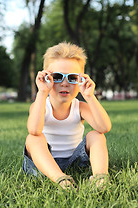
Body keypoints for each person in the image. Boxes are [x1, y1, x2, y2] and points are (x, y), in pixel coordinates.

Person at [23, 42, 112, 190]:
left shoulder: (80, 107)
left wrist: (89, 96)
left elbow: (104, 127)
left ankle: (100, 178)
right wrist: (42, 92)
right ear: (46, 78)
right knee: (33, 139)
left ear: (80, 80)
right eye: (57, 77)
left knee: (96, 135)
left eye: (72, 78)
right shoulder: (39, 105)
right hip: (43, 163)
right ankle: (60, 179)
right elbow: (34, 130)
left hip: (75, 160)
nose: (65, 83)